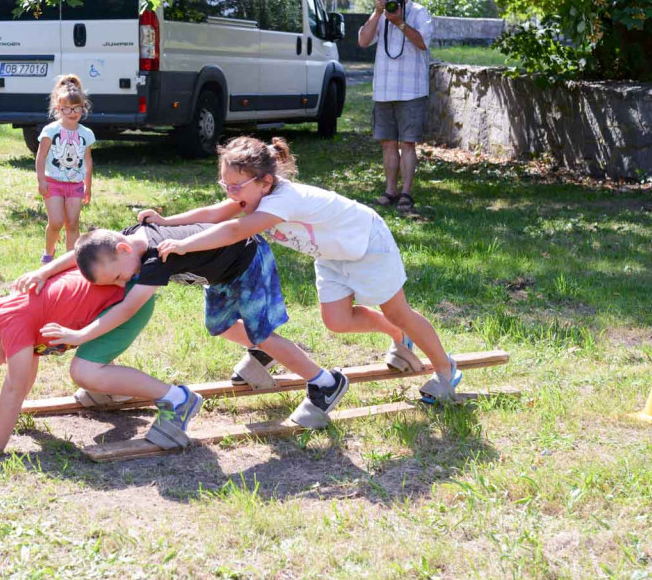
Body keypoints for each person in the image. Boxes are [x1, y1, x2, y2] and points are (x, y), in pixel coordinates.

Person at [146, 136, 462, 404]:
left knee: (398, 311)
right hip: (332, 254)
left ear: (265, 181)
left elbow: (232, 232)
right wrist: (167, 223)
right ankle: (397, 335)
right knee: (337, 321)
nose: (230, 194)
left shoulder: (283, 200)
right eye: (224, 185)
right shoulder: (251, 195)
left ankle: (446, 370)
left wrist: (185, 246)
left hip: (367, 244)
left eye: (235, 187)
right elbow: (214, 213)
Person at [13, 219, 351, 429]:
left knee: (262, 334)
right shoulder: (128, 242)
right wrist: (43, 271)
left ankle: (325, 382)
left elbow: (126, 310)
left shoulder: (154, 260)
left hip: (249, 261)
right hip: (221, 274)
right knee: (219, 326)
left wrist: (80, 335)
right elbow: (83, 249)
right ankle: (262, 355)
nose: (119, 285)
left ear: (123, 249)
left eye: (117, 277)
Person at [0, 269, 202, 454]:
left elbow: (14, 388)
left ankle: (178, 399)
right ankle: (109, 391)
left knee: (84, 371)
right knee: (86, 370)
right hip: (115, 300)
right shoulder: (11, 323)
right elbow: (20, 387)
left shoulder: (13, 325)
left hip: (128, 303)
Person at [357, 0, 434, 211]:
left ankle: (406, 194)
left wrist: (400, 22)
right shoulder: (379, 15)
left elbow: (422, 42)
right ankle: (390, 191)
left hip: (411, 90)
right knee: (388, 144)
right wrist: (378, 12)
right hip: (384, 90)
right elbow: (362, 41)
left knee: (408, 143)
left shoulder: (420, 13)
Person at [36, 75, 95, 264]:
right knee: (56, 222)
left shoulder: (86, 134)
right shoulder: (50, 131)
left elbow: (88, 161)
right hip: (53, 183)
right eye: (67, 109)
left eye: (77, 108)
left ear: (82, 108)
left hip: (75, 185)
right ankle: (48, 253)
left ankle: (70, 262)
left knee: (72, 223)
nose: (73, 112)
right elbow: (41, 156)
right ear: (58, 108)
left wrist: (88, 186)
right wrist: (41, 180)